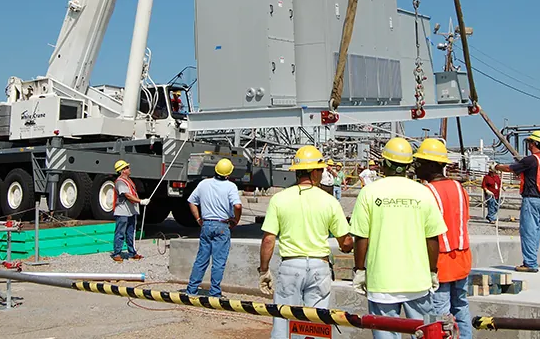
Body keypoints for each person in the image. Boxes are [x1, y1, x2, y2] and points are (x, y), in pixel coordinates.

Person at [350, 137, 447, 339]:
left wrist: (360, 270)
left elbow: (361, 238)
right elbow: (432, 238)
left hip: (381, 282)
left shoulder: (369, 192)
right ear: (409, 165)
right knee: (427, 333)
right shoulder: (424, 193)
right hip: (418, 283)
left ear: (385, 163)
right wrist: (432, 271)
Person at [258, 145, 353, 339]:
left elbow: (269, 239)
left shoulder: (279, 199)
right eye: (322, 170)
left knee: (283, 320)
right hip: (320, 267)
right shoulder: (329, 201)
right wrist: (350, 244)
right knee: (316, 324)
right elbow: (346, 242)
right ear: (315, 172)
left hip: (290, 265)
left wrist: (264, 270)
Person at [414, 138, 473, 339]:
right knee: (461, 306)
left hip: (439, 262)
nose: (416, 167)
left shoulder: (426, 192)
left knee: (439, 313)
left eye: (419, 163)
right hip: (462, 259)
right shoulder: (459, 188)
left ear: (431, 165)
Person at [492, 130, 540, 273]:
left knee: (528, 233)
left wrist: (496, 167)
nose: (528, 144)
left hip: (531, 200)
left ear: (533, 143)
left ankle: (530, 263)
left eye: (529, 142)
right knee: (536, 233)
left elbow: (511, 168)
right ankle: (532, 259)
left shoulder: (530, 160)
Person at [186, 158, 243, 297]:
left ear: (215, 169)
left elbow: (191, 201)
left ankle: (191, 290)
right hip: (222, 225)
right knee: (218, 261)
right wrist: (236, 220)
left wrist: (198, 218)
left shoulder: (204, 184)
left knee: (201, 259)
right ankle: (215, 292)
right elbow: (237, 206)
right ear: (228, 174)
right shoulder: (230, 187)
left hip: (206, 224)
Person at [112, 160, 149, 262]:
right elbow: (127, 195)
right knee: (120, 233)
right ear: (122, 170)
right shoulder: (120, 182)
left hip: (130, 212)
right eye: (127, 167)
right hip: (122, 212)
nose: (129, 168)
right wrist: (141, 201)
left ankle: (132, 253)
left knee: (130, 233)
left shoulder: (128, 181)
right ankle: (117, 253)